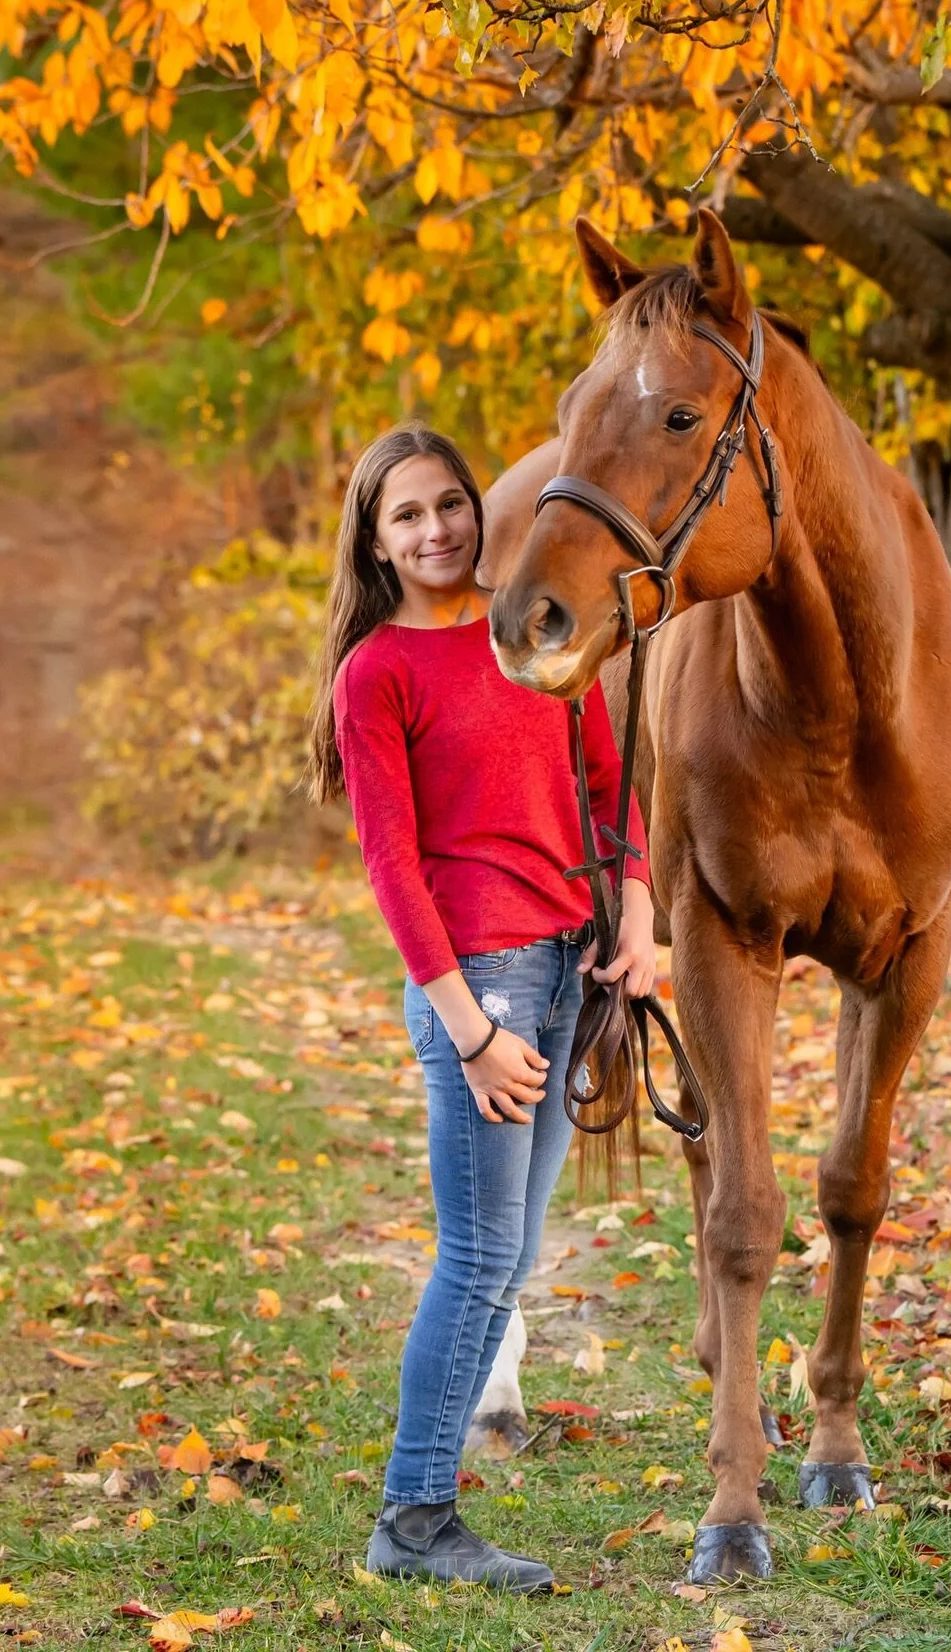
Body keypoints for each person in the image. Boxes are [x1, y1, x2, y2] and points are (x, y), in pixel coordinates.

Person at [306, 421, 655, 1591]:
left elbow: (608, 788)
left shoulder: (533, 630)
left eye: (448, 503)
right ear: (376, 540)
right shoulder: (379, 674)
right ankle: (413, 1518)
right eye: (406, 515)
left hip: (568, 964)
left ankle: (425, 1509)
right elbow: (393, 870)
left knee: (507, 1260)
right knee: (478, 1257)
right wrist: (470, 1030)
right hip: (485, 987)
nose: (437, 528)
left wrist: (639, 912)